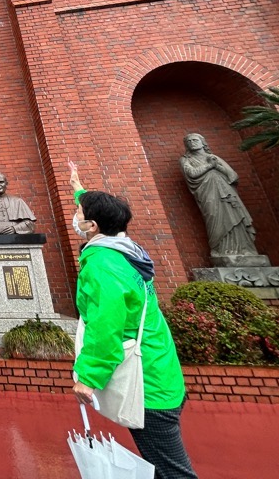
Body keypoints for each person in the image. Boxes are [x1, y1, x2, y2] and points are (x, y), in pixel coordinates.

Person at [68, 164, 197, 479]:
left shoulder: (102, 265)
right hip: (161, 367)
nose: (76, 217)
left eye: (80, 212)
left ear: (93, 225)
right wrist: (78, 188)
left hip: (147, 385)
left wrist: (87, 377)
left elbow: (105, 326)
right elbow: (101, 212)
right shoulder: (126, 249)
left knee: (173, 472)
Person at [179, 133, 259, 259]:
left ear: (202, 143)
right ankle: (220, 249)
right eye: (188, 141)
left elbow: (233, 175)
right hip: (207, 193)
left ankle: (245, 249)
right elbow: (192, 173)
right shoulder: (186, 160)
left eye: (195, 140)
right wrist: (210, 166)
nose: (192, 142)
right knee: (213, 216)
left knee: (235, 217)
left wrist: (218, 166)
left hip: (226, 192)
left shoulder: (213, 157)